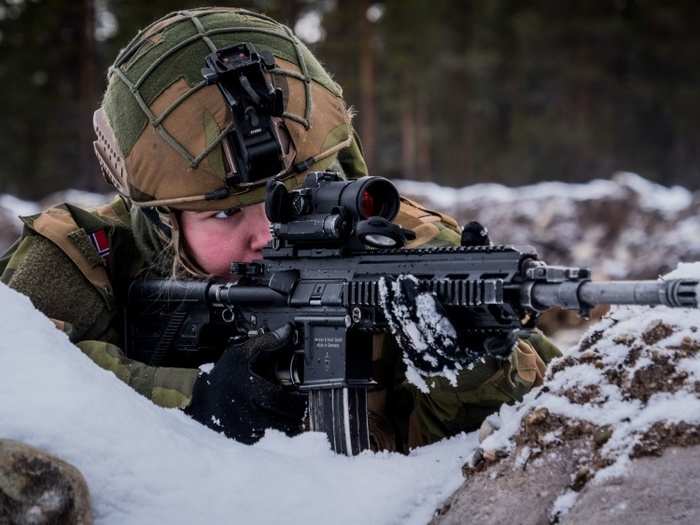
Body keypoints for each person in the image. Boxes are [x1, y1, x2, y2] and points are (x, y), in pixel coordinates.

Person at [0, 7, 560, 453]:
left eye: (298, 197)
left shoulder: (412, 257)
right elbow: (16, 381)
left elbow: (557, 416)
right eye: (224, 212)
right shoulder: (80, 261)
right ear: (159, 220)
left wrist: (473, 371)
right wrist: (189, 401)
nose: (269, 234)